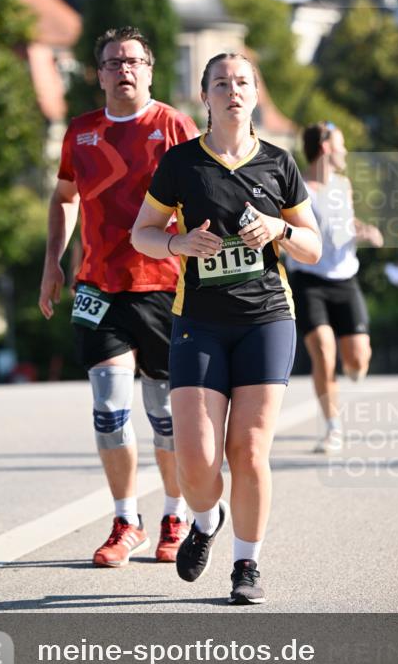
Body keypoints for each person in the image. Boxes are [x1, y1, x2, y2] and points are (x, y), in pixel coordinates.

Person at [131, 53, 321, 605]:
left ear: (256, 93)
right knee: (196, 459)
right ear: (205, 96)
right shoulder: (182, 163)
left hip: (266, 319)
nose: (232, 90)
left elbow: (313, 246)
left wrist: (279, 228)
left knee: (251, 449)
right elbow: (141, 232)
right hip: (199, 324)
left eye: (242, 82)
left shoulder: (279, 164)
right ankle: (206, 515)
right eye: (221, 83)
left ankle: (247, 565)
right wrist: (177, 243)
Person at [39, 26, 199, 567]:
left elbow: (202, 199)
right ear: (99, 74)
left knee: (164, 417)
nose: (124, 69)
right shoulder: (80, 133)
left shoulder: (172, 125)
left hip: (164, 287)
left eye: (133, 61)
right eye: (113, 62)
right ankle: (125, 520)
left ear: (149, 70)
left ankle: (174, 514)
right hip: (98, 285)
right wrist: (53, 264)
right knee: (108, 411)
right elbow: (64, 197)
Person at [288, 123, 383, 453]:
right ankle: (333, 427)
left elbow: (344, 224)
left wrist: (365, 230)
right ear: (326, 148)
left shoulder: (343, 185)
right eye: (341, 146)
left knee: (357, 361)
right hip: (308, 279)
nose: (345, 152)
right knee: (324, 352)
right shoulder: (298, 187)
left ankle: (354, 368)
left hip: (345, 278)